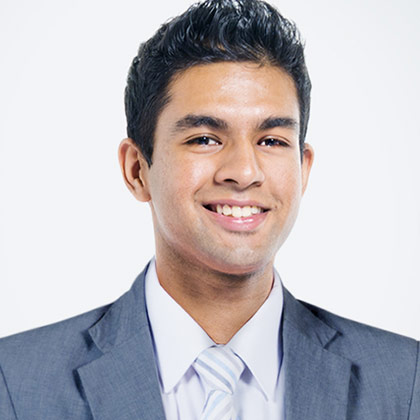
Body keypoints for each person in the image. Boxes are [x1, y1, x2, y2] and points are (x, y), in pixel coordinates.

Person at [0, 0, 418, 419]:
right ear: (136, 170)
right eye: (204, 139)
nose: (245, 172)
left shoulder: (405, 382)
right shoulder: (15, 383)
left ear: (303, 169)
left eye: (272, 141)